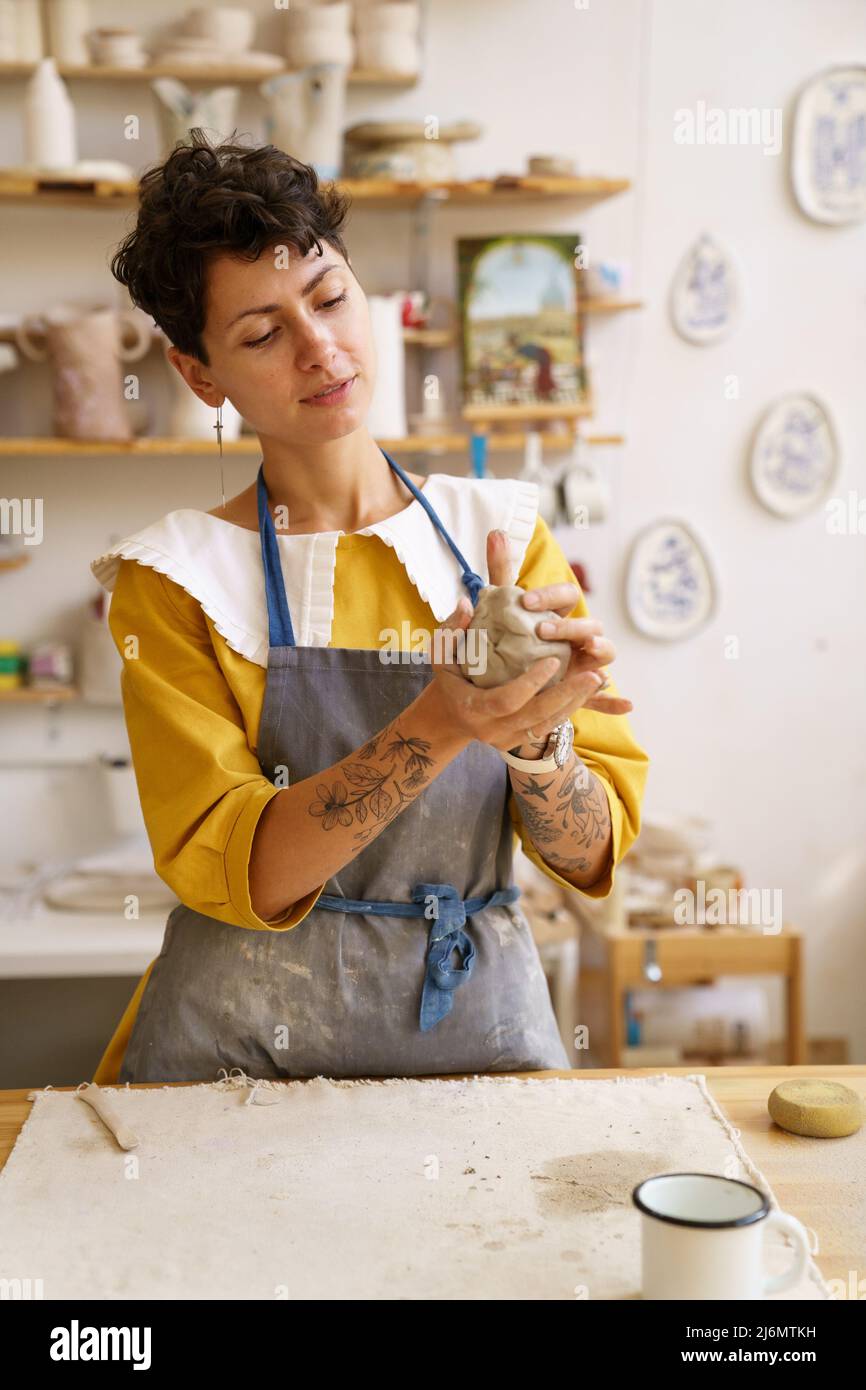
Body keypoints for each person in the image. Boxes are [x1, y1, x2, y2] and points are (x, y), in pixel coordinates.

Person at [89, 130, 649, 1084]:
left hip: (472, 1041)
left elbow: (591, 853)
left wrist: (535, 743)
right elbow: (251, 875)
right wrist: (443, 722)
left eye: (332, 298)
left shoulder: (498, 535)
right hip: (237, 1064)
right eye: (263, 334)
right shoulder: (176, 579)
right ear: (199, 374)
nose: (320, 350)